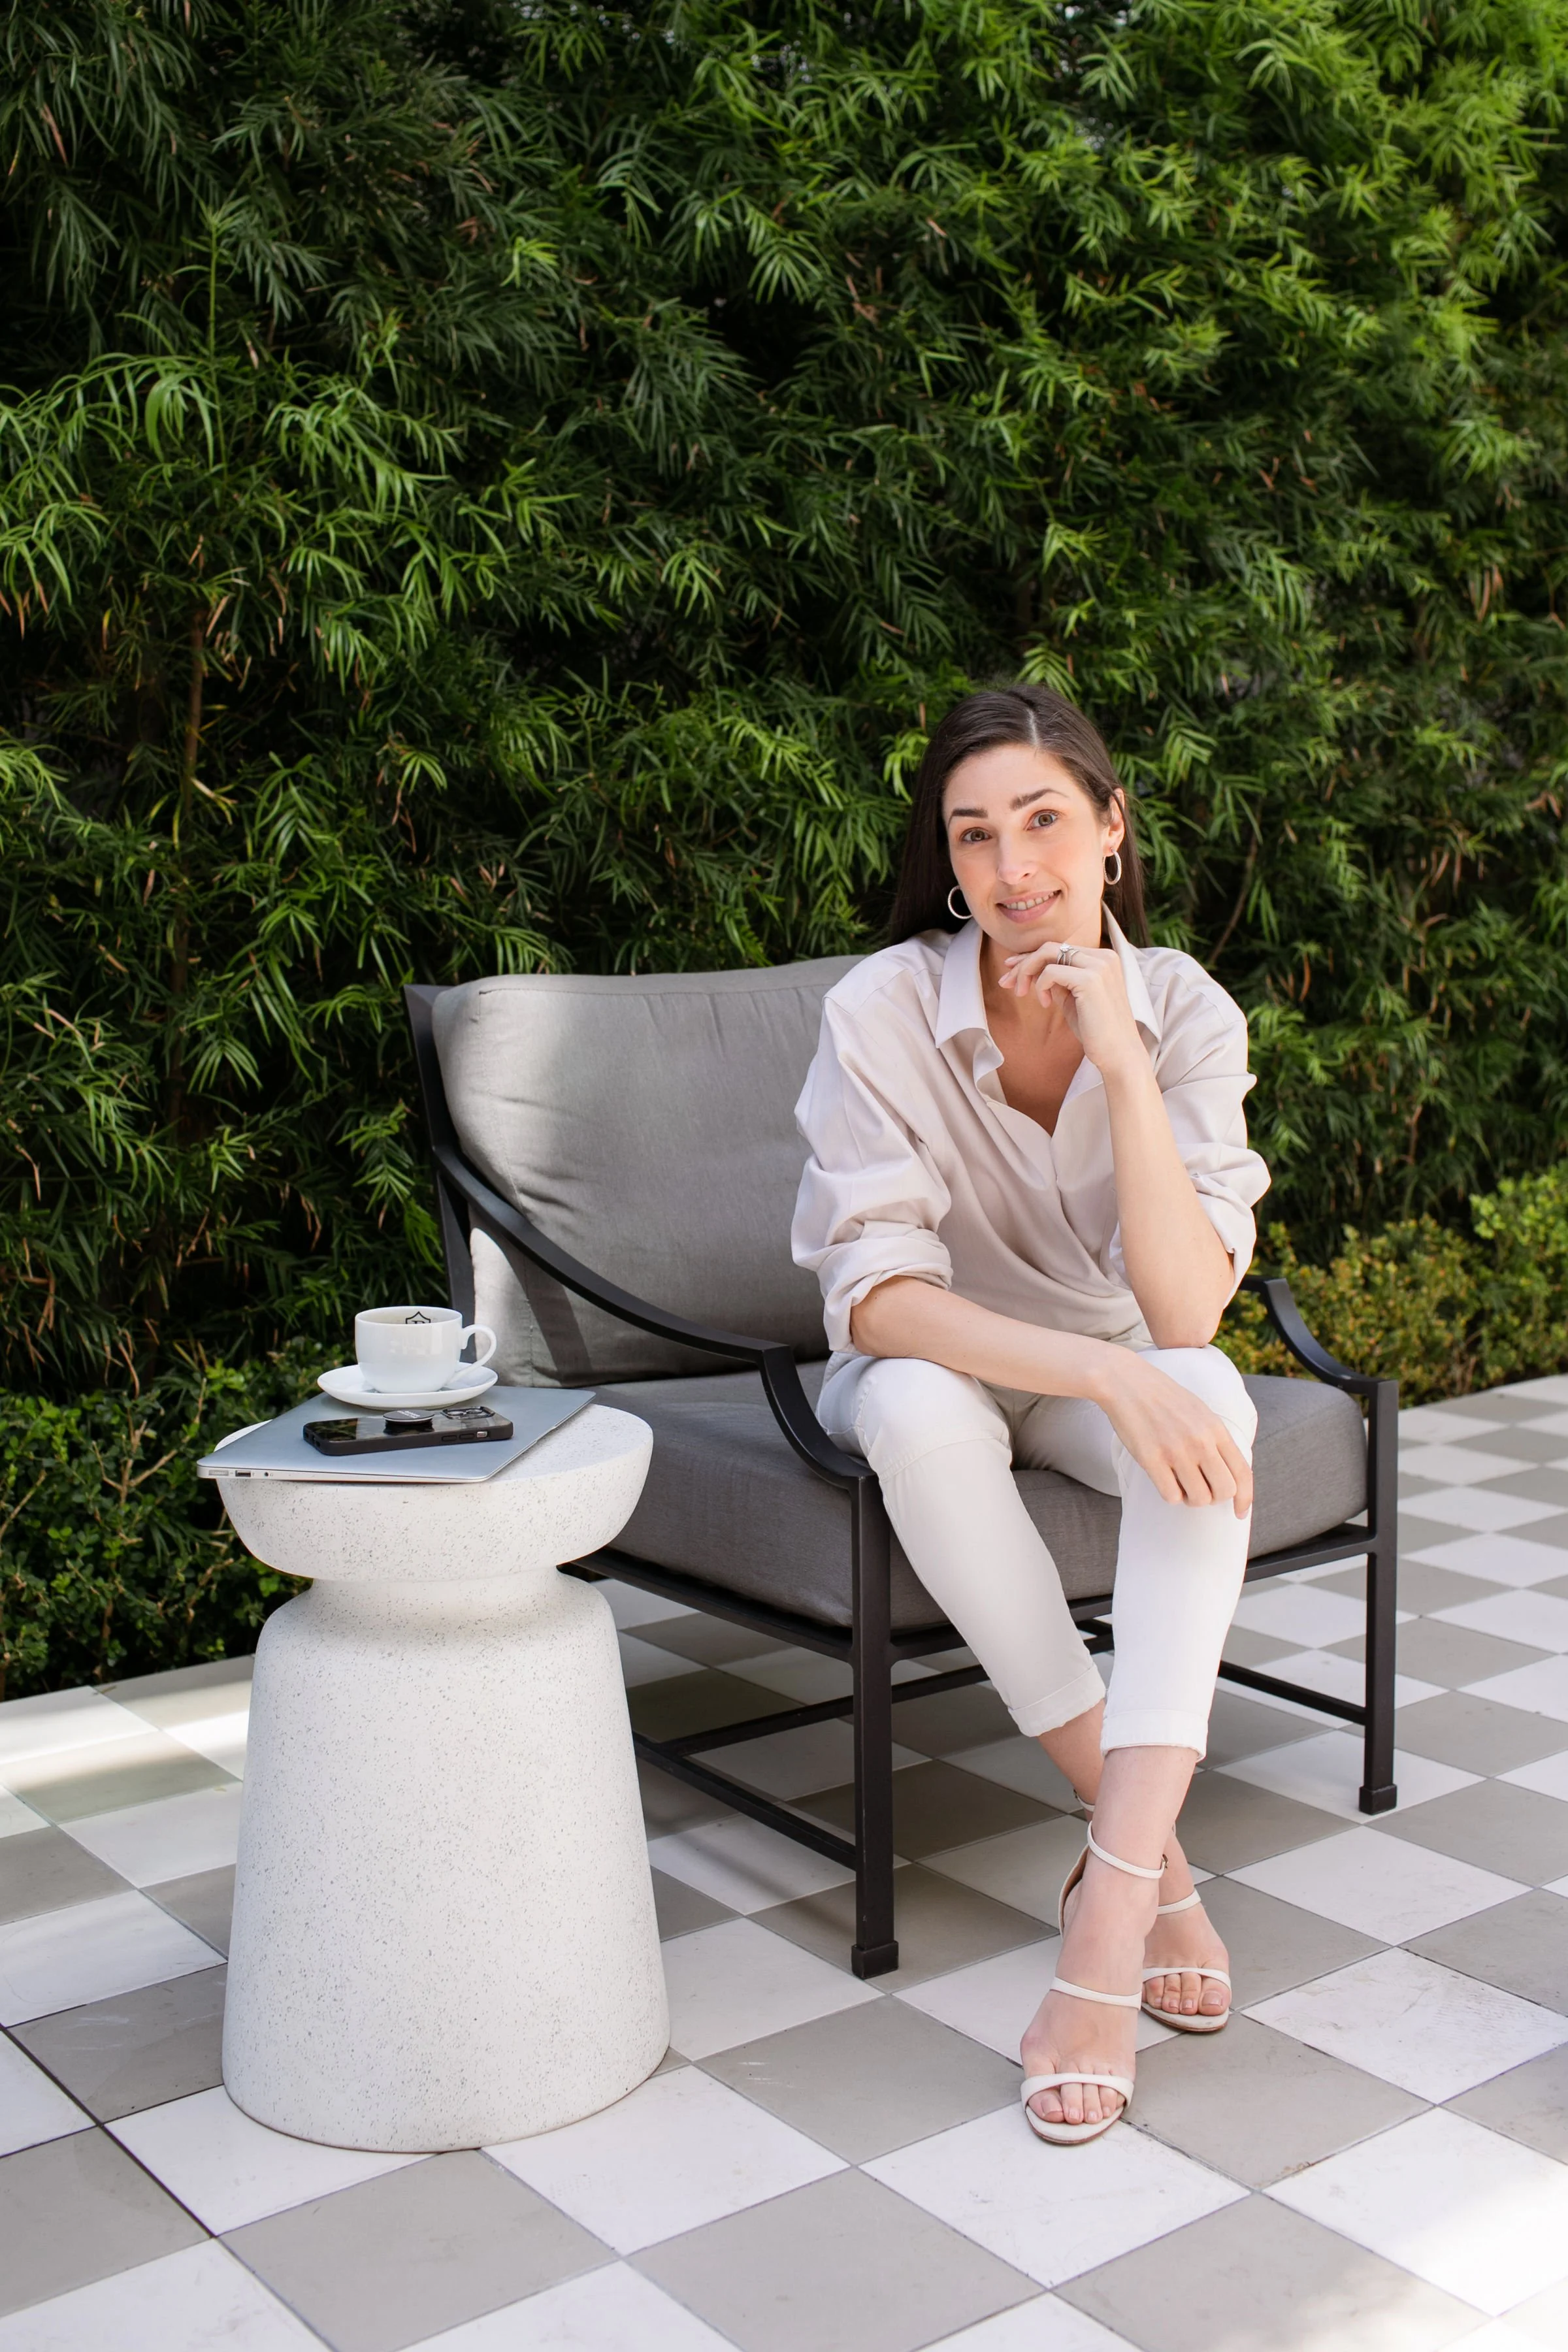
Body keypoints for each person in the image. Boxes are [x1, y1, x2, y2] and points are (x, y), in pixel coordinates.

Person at [791, 684, 1269, 2146]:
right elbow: (876, 1299)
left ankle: (1103, 1911)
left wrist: (1123, 1060)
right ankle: (1157, 1878)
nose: (1015, 868)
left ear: (1113, 829)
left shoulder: (1185, 1008)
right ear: (947, 858)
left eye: (1046, 821)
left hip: (1105, 1348)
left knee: (1211, 1394)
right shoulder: (879, 1006)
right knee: (929, 1406)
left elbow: (1180, 1315)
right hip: (938, 1357)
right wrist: (1110, 1372)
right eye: (976, 834)